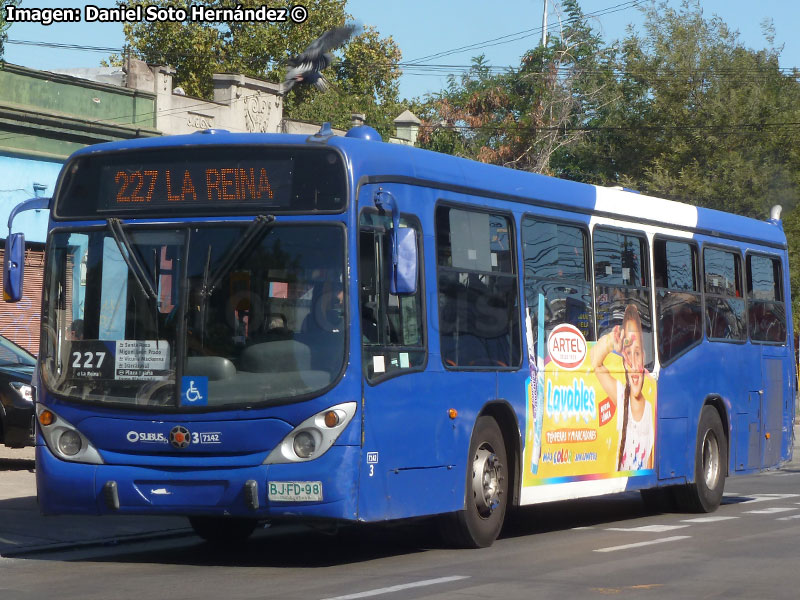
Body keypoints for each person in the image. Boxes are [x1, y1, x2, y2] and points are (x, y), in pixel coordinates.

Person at [591, 303, 655, 471]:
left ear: (645, 357)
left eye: (637, 353)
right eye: (628, 353)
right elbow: (595, 363)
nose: (634, 364)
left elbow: (650, 466)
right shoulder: (621, 396)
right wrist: (611, 343)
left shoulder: (652, 408)